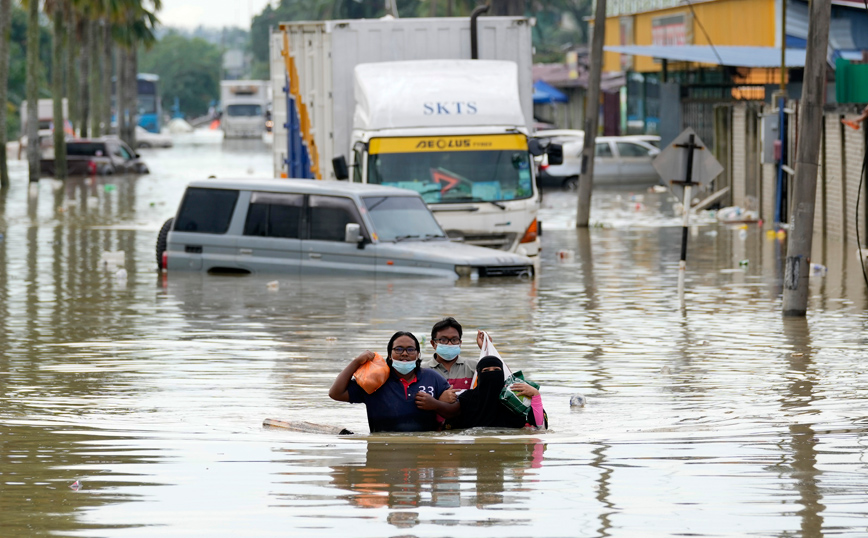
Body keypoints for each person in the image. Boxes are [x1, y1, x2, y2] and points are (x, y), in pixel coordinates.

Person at [329, 331, 450, 433]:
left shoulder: (431, 377)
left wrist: (436, 404)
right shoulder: (375, 380)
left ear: (418, 354)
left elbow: (455, 410)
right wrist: (356, 362)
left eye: (410, 349)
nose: (404, 353)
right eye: (398, 349)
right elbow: (336, 393)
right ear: (389, 355)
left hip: (423, 451)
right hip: (382, 450)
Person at [417, 355, 546, 430]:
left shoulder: (513, 399)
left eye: (496, 370)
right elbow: (450, 427)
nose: (491, 374)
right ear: (479, 376)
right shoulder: (467, 399)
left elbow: (540, 426)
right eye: (486, 371)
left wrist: (536, 396)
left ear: (502, 374)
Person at [426, 317, 484, 401]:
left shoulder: (475, 367)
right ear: (433, 343)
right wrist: (440, 399)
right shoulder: (422, 371)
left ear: (460, 343)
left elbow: (497, 380)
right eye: (443, 340)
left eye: (454, 340)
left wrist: (486, 349)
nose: (449, 344)